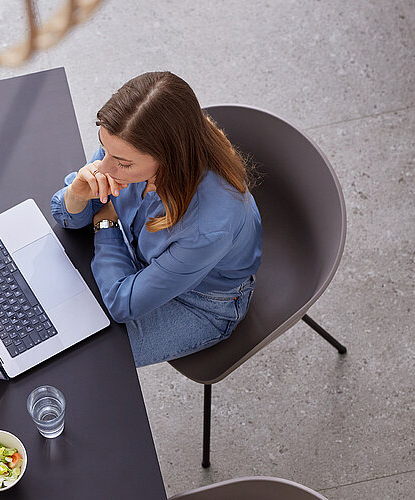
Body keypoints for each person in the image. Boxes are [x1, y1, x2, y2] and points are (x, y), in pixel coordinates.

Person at [51, 72, 262, 367]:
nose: (105, 166)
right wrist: (76, 194)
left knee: (83, 363)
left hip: (201, 302)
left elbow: (123, 304)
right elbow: (68, 217)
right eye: (104, 148)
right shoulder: (128, 141)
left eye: (123, 163)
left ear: (168, 159)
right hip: (141, 256)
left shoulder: (207, 227)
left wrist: (106, 224)